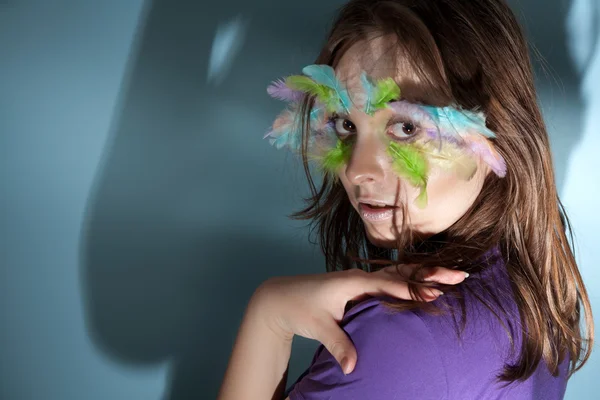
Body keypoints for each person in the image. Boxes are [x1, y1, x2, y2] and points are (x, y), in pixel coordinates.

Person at [217, 0, 594, 399]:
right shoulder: (536, 293)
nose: (357, 169)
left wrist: (269, 317)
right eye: (346, 124)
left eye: (406, 126)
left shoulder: (404, 336)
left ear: (497, 131)